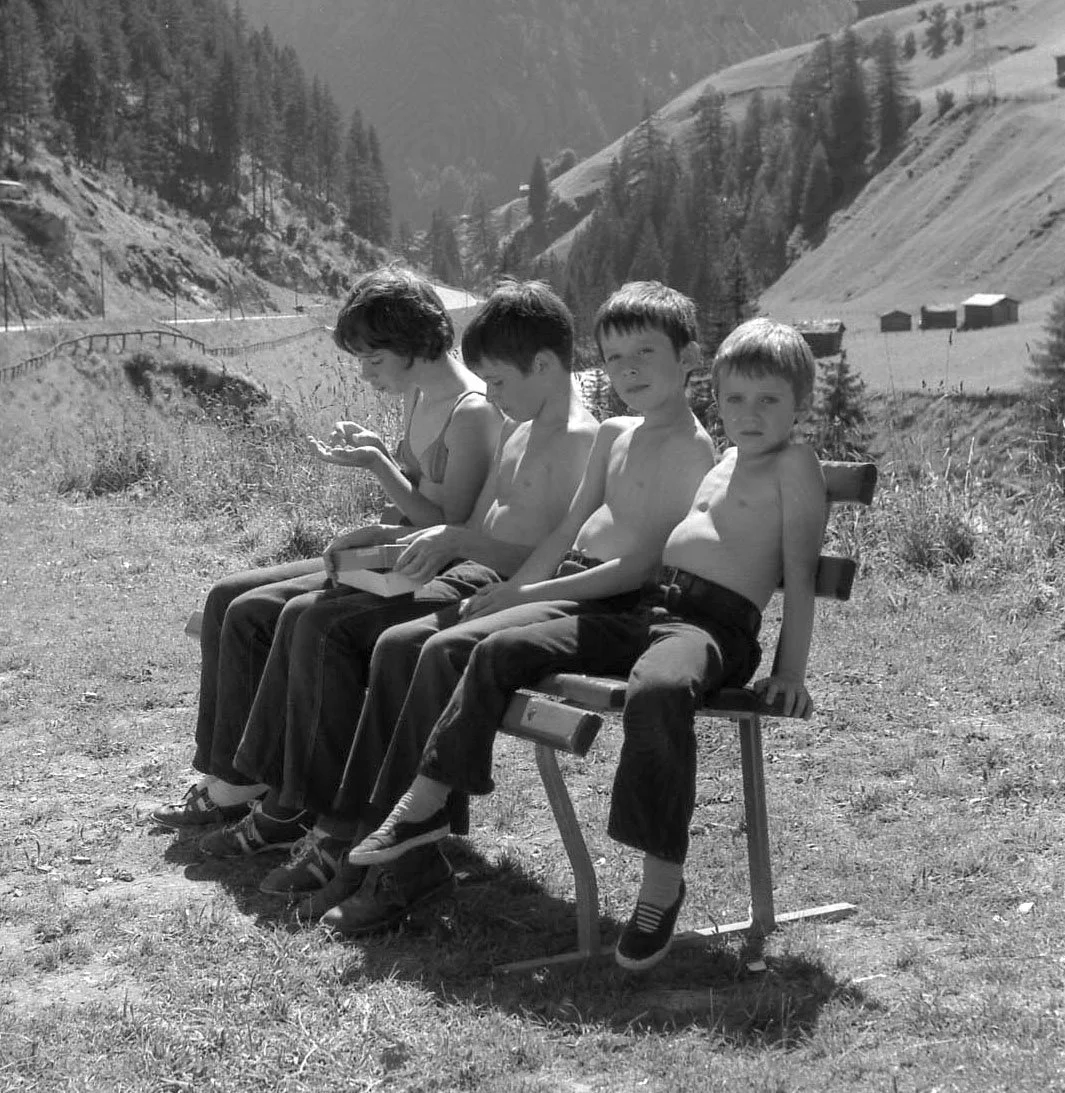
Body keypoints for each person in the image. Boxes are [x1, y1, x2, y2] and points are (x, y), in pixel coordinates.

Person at [348, 315, 825, 972]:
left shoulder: (793, 465)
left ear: (799, 406)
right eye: (737, 397)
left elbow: (798, 577)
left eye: (769, 399)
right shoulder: (724, 458)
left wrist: (789, 671)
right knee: (500, 647)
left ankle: (661, 881)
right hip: (647, 609)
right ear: (718, 396)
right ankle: (426, 800)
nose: (750, 412)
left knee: (655, 691)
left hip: (709, 629)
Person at [306, 280, 721, 933]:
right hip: (555, 590)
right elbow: (560, 537)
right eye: (615, 357)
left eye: (645, 353)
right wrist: (512, 591)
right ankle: (370, 834)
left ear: (688, 356)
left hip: (609, 608)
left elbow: (636, 565)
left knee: (418, 646)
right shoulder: (613, 431)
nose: (628, 370)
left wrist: (520, 593)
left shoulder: (674, 445)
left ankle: (404, 845)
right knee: (394, 641)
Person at [187, 279, 603, 874]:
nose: (493, 393)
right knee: (282, 612)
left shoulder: (567, 436)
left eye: (501, 381)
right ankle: (276, 796)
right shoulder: (521, 425)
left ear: (542, 364)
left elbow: (525, 546)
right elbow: (471, 525)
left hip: (485, 583)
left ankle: (316, 815)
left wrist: (443, 542)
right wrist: (389, 538)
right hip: (460, 566)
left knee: (325, 626)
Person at [152, 267, 500, 830]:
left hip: (423, 568)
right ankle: (232, 778)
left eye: (373, 359)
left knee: (265, 614)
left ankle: (263, 789)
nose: (365, 374)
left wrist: (378, 463)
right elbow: (412, 499)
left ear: (413, 342)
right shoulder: (418, 396)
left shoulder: (473, 410)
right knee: (227, 599)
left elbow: (445, 523)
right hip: (389, 554)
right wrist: (377, 452)